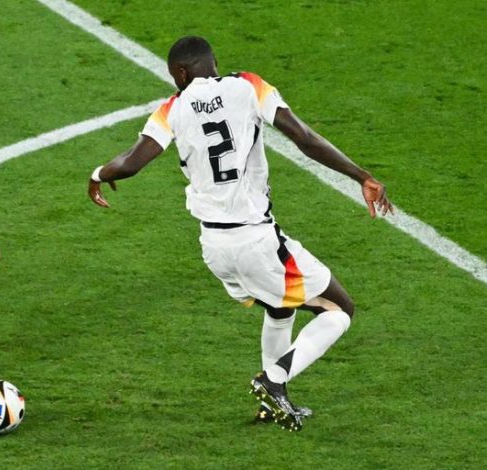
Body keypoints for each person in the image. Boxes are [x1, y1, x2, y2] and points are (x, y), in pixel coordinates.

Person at [88, 36, 393, 431]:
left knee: (280, 307)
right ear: (213, 62)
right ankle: (274, 380)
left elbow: (130, 162)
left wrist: (98, 174)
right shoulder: (248, 85)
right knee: (338, 309)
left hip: (214, 247)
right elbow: (303, 137)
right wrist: (361, 175)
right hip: (256, 241)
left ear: (180, 72)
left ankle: (272, 404)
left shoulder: (172, 108)